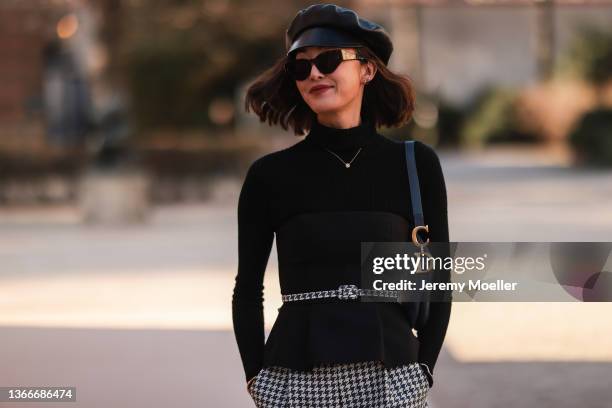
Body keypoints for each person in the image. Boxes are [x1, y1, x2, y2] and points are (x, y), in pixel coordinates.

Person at [232, 4, 452, 407]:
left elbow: (439, 282)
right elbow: (248, 290)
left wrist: (425, 372)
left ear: (367, 69)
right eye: (301, 67)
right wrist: (256, 378)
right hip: (294, 380)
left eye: (329, 59)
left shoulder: (415, 164)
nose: (314, 73)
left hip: (393, 379)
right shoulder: (269, 175)